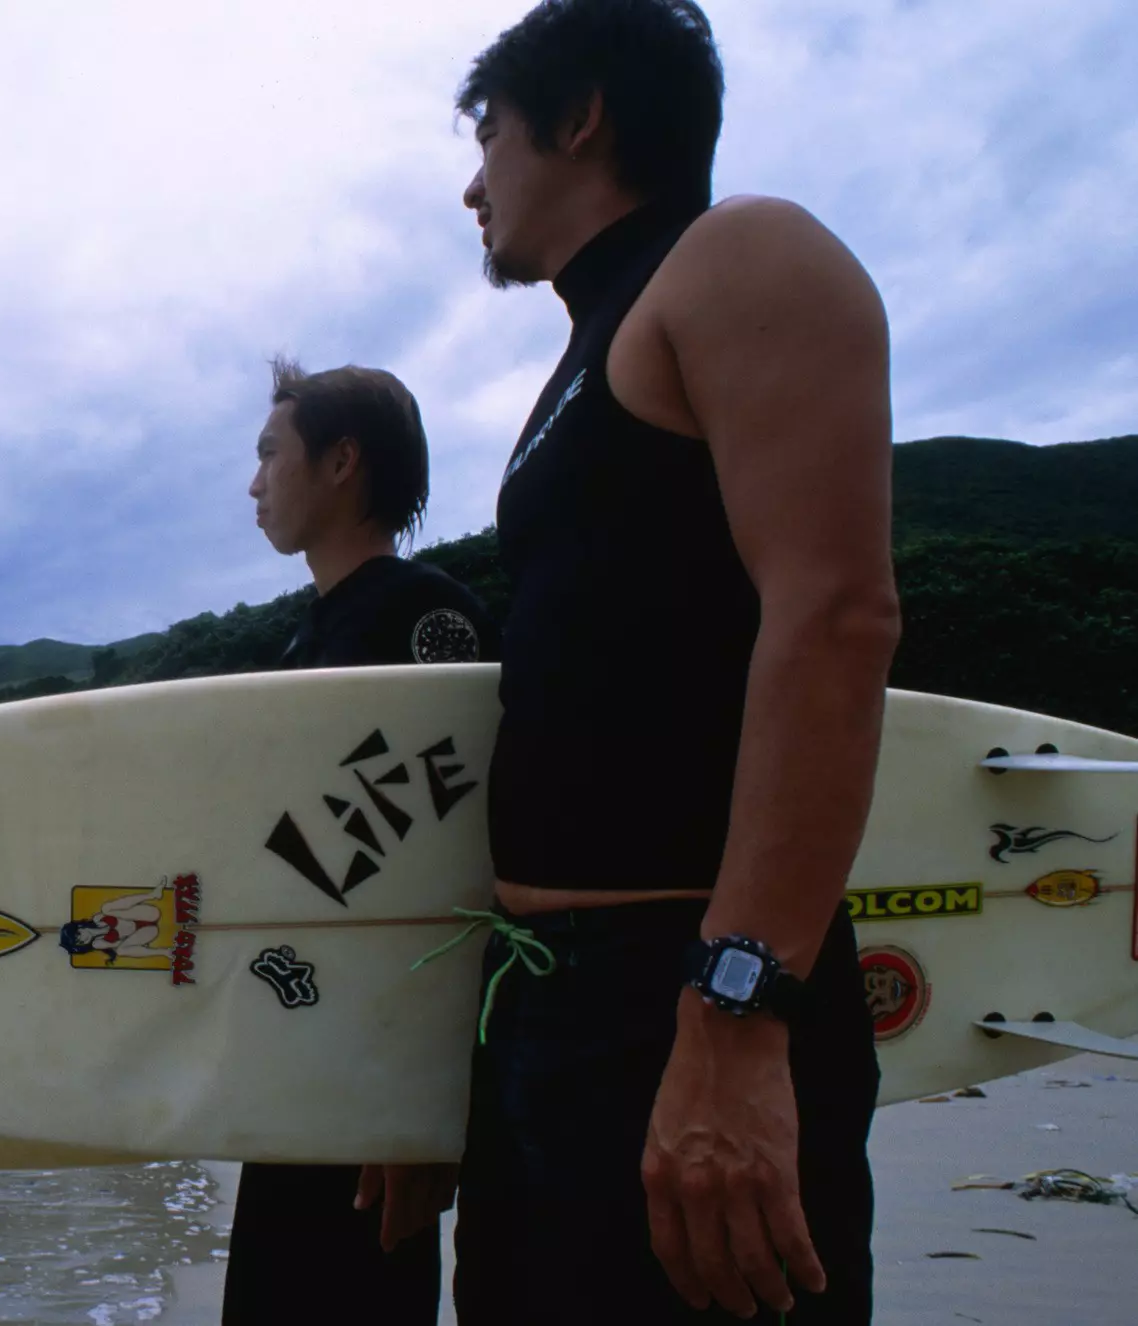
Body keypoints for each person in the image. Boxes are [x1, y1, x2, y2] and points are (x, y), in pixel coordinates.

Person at [448, 2, 900, 1323]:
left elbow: (835, 619)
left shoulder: (739, 255)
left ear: (579, 116)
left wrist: (735, 1010)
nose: (472, 184)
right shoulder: (586, 355)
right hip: (539, 1004)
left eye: (488, 136)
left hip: (681, 991)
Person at [222, 357, 495, 1323]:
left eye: (271, 454)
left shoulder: (425, 620)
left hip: (372, 1078)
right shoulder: (312, 638)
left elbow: (457, 868)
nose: (254, 483)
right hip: (302, 1048)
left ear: (342, 463)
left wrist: (418, 1106)